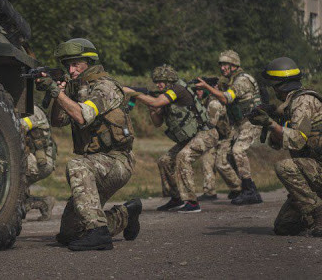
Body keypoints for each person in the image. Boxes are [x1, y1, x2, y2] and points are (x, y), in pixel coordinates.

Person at [35, 38, 142, 251]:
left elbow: (83, 116)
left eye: (76, 64)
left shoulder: (106, 87)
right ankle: (125, 215)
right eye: (68, 65)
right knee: (69, 234)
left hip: (116, 161)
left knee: (77, 165)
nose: (71, 70)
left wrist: (57, 93)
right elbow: (58, 121)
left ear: (89, 62)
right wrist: (60, 93)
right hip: (96, 165)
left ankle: (99, 233)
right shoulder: (77, 89)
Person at [247, 57, 322, 236]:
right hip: (314, 171)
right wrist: (271, 122)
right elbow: (276, 144)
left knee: (285, 167)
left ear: (278, 86)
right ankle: (313, 216)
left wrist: (272, 124)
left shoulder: (304, 101)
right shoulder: (290, 105)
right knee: (284, 226)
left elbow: (297, 140)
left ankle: (318, 215)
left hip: (317, 168)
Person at [124, 65, 213, 213]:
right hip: (190, 138)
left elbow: (156, 102)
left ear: (170, 80)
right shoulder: (165, 95)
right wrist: (151, 108)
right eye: (157, 82)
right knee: (164, 161)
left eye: (162, 81)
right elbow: (157, 122)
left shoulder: (177, 89)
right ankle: (176, 198)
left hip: (206, 133)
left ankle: (192, 202)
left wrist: (134, 94)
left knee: (183, 157)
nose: (158, 84)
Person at [196, 50, 262, 205]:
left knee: (238, 151)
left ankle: (250, 191)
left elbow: (227, 98)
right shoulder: (230, 81)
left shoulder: (242, 80)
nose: (223, 68)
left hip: (251, 122)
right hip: (238, 124)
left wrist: (207, 86)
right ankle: (242, 189)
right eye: (221, 64)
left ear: (234, 65)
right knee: (222, 158)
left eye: (226, 64)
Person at [194, 83, 242, 201]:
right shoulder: (204, 101)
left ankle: (238, 188)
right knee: (207, 160)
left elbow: (210, 124)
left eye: (200, 90)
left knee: (221, 163)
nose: (198, 92)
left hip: (225, 137)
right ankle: (209, 191)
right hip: (213, 137)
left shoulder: (214, 102)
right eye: (196, 90)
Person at [21, 104, 56, 221]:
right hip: (31, 159)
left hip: (40, 162)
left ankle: (25, 205)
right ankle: (44, 203)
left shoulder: (33, 111)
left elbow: (18, 127)